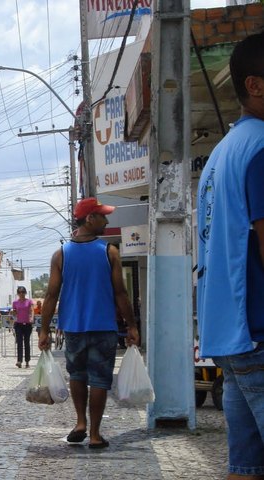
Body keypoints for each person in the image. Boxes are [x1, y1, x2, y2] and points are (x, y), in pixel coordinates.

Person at [196, 32, 264, 480]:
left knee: (244, 466)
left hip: (229, 336)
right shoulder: (260, 146)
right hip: (257, 332)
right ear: (256, 85)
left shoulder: (221, 153)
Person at [38, 197, 139, 450]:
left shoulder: (61, 255)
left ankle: (80, 422)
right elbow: (121, 294)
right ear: (89, 219)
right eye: (102, 216)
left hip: (73, 327)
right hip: (104, 327)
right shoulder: (109, 252)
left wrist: (43, 330)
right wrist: (132, 325)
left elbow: (51, 295)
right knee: (100, 380)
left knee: (78, 374)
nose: (106, 220)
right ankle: (95, 434)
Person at [12, 287, 34, 368]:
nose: (21, 294)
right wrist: (13, 312)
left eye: (23, 292)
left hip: (27, 324)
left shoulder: (29, 301)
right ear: (18, 293)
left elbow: (32, 310)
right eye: (20, 292)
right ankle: (19, 360)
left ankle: (27, 361)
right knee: (19, 343)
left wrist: (31, 318)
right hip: (18, 324)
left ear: (25, 293)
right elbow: (14, 313)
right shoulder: (15, 302)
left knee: (26, 343)